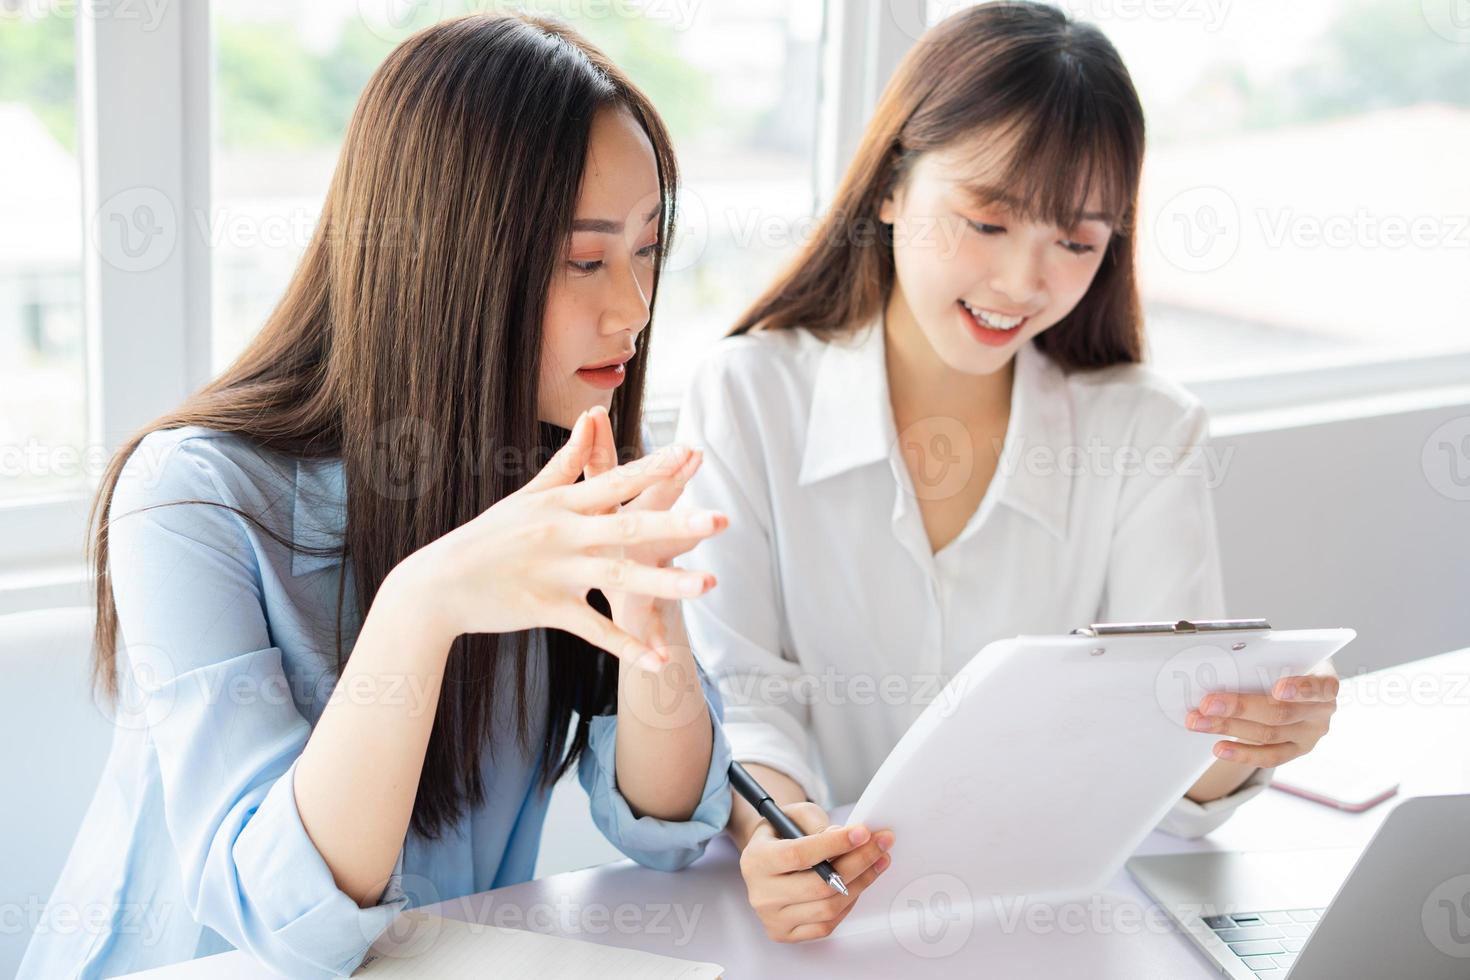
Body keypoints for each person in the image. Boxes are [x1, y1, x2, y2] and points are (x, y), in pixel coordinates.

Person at [20, 15, 733, 978]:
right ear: (447, 257)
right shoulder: (190, 498)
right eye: (585, 258)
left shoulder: (555, 461)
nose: (635, 308)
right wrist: (422, 606)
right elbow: (290, 926)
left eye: (649, 249)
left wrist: (651, 622)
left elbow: (666, 828)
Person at [675, 2, 1340, 943]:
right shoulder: (750, 393)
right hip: (825, 926)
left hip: (1059, 924)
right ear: (891, 186)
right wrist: (782, 832)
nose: (1025, 284)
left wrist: (1242, 744)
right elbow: (742, 693)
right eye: (988, 221)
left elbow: (1170, 743)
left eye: (1077, 242)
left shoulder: (1148, 428)